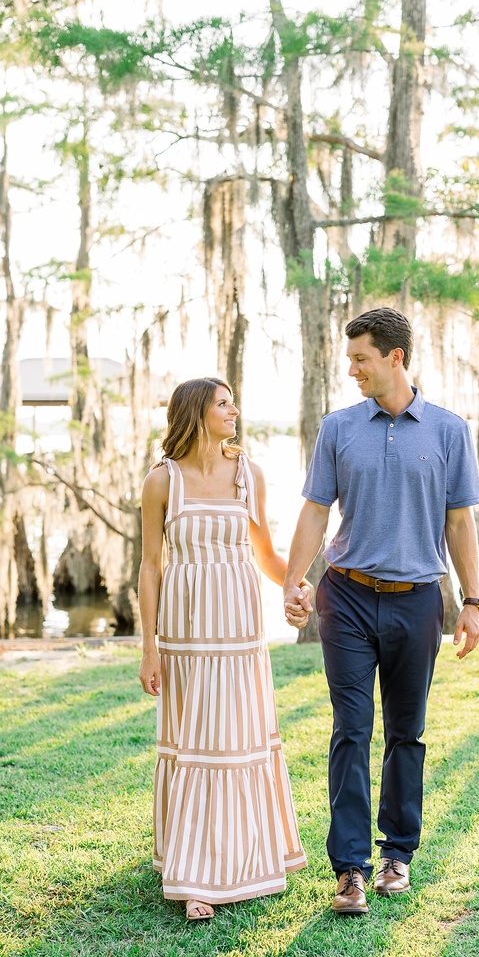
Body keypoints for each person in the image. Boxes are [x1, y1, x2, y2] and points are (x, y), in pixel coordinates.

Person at [283, 307, 479, 915]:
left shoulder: (448, 431)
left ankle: (397, 852)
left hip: (419, 600)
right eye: (349, 360)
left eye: (361, 359)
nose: (352, 371)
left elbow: (459, 522)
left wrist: (472, 603)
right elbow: (317, 511)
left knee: (407, 731)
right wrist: (295, 581)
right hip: (344, 595)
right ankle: (349, 869)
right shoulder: (339, 428)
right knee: (351, 727)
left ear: (395, 357)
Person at [138, 377, 307, 921]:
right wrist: (149, 647)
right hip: (186, 637)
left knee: (236, 739)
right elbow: (149, 567)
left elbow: (266, 555)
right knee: (197, 745)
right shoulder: (161, 482)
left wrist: (300, 586)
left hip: (239, 633)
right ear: (195, 413)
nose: (235, 409)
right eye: (224, 403)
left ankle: (246, 856)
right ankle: (196, 877)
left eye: (234, 400)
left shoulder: (248, 474)